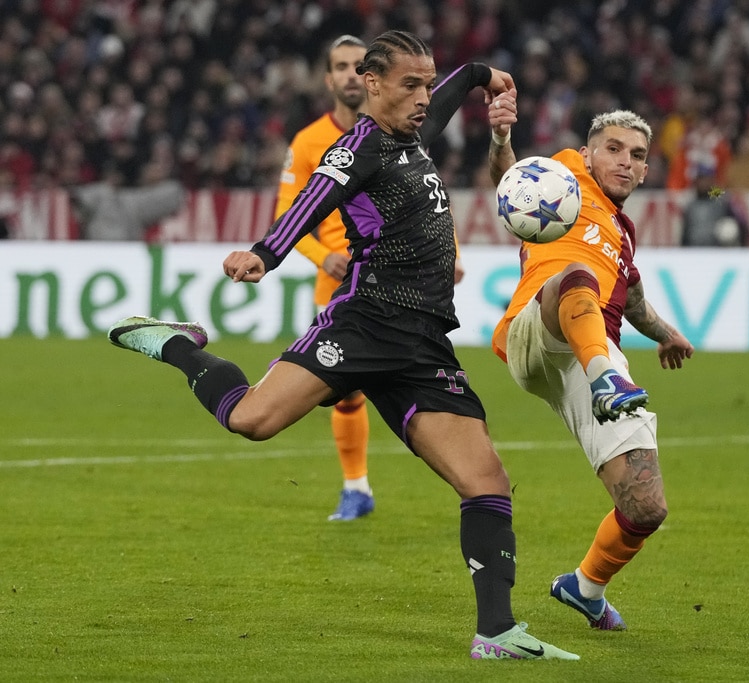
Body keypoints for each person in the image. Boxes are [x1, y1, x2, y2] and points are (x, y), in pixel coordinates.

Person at [107, 30, 577, 661]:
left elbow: (449, 93)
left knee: (486, 480)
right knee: (251, 420)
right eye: (409, 85)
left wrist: (479, 74)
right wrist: (266, 254)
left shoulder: (413, 137)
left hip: (423, 342)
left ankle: (496, 633)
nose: (422, 97)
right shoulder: (361, 146)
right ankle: (179, 345)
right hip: (366, 322)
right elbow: (314, 198)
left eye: (426, 83)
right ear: (371, 84)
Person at [487, 96, 695, 631]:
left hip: (596, 350)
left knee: (646, 505)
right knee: (576, 275)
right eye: (614, 149)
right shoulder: (566, 176)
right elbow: (511, 180)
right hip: (537, 330)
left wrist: (667, 335)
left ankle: (585, 587)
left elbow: (636, 300)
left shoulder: (623, 236)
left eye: (637, 155)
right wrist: (501, 138)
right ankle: (607, 378)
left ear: (646, 170)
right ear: (586, 153)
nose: (625, 161)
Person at [274, 34, 375, 522]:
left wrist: (452, 251)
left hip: (396, 277)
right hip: (337, 287)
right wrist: (321, 256)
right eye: (341, 66)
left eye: (359, 65)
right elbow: (286, 214)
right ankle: (356, 487)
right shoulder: (308, 141)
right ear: (329, 79)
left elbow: (429, 192)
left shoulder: (396, 131)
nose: (351, 74)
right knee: (347, 390)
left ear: (372, 75)